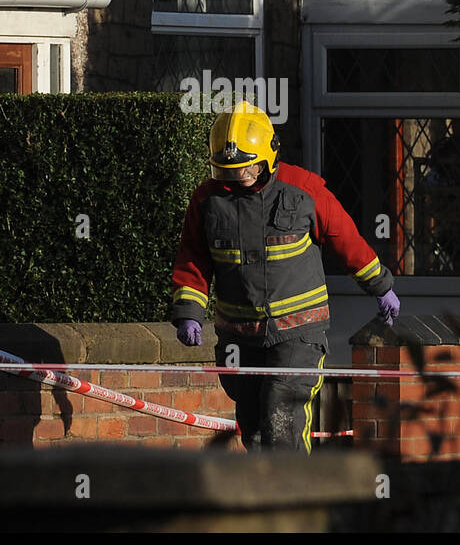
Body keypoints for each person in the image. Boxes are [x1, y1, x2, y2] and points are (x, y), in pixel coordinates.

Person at [169, 101, 401, 452]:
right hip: (239, 337)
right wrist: (188, 312)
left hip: (298, 334)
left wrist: (380, 286)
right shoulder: (206, 201)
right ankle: (266, 499)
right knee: (254, 427)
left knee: (283, 418)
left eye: (247, 169)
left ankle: (294, 499)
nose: (238, 177)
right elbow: (194, 257)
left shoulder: (303, 189)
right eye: (228, 171)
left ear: (269, 157)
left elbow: (345, 239)